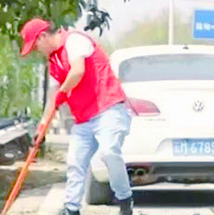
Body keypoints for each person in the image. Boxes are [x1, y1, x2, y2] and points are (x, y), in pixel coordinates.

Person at [19, 18, 134, 215]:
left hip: (109, 108)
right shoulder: (53, 62)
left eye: (35, 45)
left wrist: (63, 92)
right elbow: (52, 99)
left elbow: (77, 71)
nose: (36, 50)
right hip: (84, 118)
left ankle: (125, 199)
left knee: (109, 151)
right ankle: (71, 209)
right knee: (75, 162)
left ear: (43, 36)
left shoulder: (74, 41)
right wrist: (41, 129)